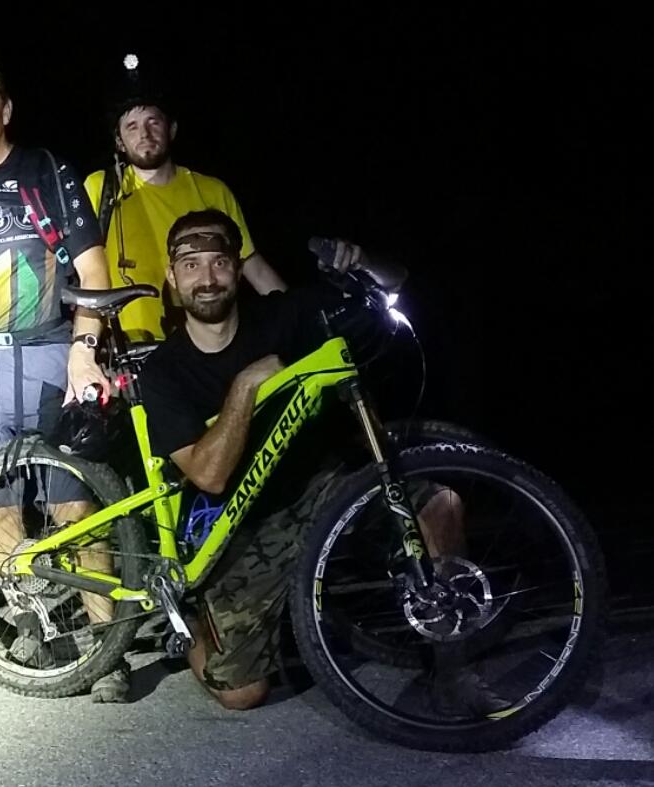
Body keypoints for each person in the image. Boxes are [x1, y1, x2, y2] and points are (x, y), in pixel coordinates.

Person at [140, 209, 503, 714]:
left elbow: (393, 282)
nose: (207, 279)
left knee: (440, 504)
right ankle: (199, 615)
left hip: (324, 487)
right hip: (242, 526)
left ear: (236, 270)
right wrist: (247, 386)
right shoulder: (162, 371)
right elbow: (209, 475)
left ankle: (453, 669)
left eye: (220, 262)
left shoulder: (286, 315)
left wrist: (363, 261)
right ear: (172, 277)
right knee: (242, 694)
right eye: (192, 265)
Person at [0, 51, 129, 701]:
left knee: (73, 497)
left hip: (44, 349)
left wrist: (83, 347)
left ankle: (106, 645)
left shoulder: (46, 170)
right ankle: (33, 623)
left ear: (5, 108)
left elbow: (92, 271)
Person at [83, 56, 287, 343]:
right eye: (132, 126)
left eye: (154, 122)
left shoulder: (212, 190)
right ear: (119, 141)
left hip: (209, 346)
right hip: (131, 348)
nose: (144, 134)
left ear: (172, 129)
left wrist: (300, 315)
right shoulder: (100, 188)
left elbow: (252, 266)